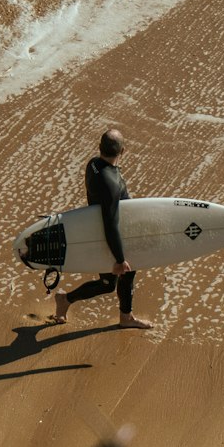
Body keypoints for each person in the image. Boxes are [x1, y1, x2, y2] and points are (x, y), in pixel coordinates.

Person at [54, 128, 152, 330]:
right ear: (123, 151)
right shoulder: (111, 184)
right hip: (106, 236)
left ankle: (68, 300)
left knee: (117, 279)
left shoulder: (93, 164)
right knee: (113, 281)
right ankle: (66, 300)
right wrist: (118, 258)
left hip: (97, 229)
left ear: (99, 148)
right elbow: (110, 222)